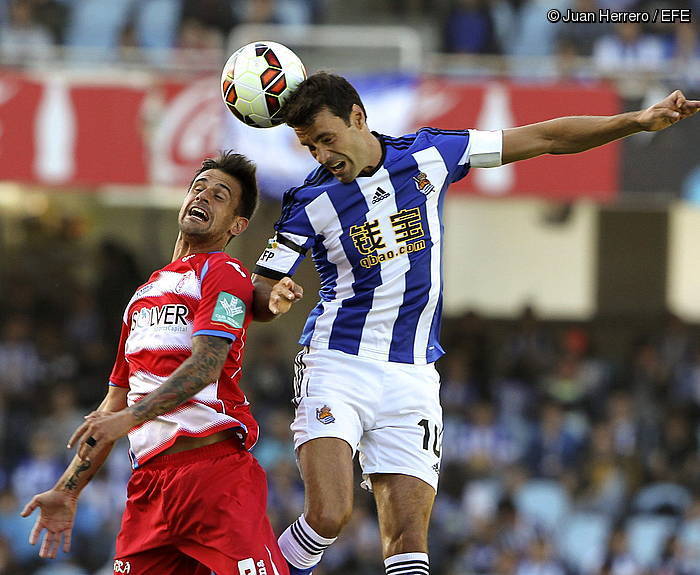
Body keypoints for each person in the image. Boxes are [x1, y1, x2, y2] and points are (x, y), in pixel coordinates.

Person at [250, 72, 700, 575]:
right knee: (329, 515)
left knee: (409, 543)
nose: (322, 156)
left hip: (414, 376)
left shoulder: (431, 155)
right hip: (337, 364)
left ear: (358, 117)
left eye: (327, 139)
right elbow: (263, 286)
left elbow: (545, 137)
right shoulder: (309, 202)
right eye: (310, 147)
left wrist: (635, 120)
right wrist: (276, 297)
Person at [21, 152, 289, 575]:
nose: (204, 196)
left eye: (220, 195)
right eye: (198, 188)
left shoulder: (225, 272)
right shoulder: (142, 295)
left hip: (213, 478)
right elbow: (111, 407)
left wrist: (128, 418)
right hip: (149, 489)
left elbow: (206, 366)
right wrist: (68, 489)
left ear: (237, 226)